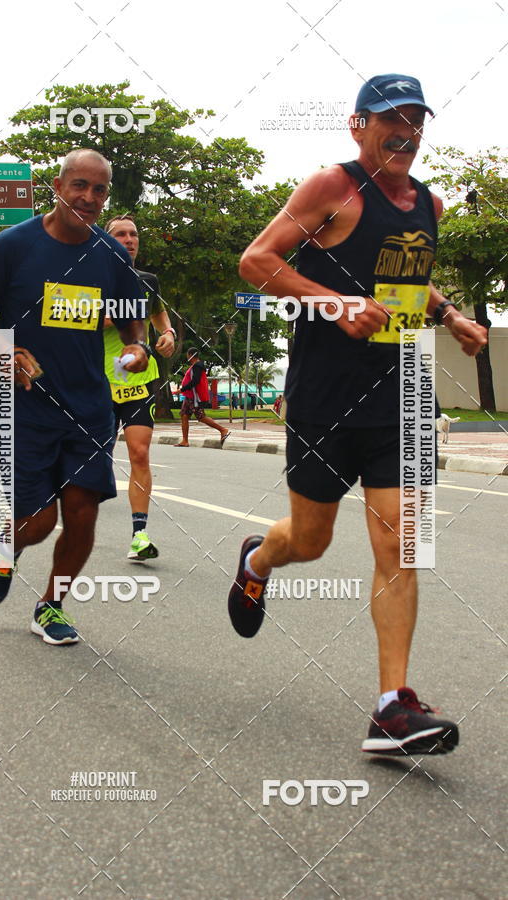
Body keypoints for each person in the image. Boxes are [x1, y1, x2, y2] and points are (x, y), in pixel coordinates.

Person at [227, 74, 488, 755]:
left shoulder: (428, 202)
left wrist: (450, 317)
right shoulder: (331, 187)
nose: (405, 132)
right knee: (309, 541)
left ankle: (391, 708)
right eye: (389, 119)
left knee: (402, 542)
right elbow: (256, 260)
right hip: (326, 394)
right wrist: (334, 302)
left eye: (415, 121)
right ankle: (257, 560)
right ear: (358, 125)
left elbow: (409, 281)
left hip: (402, 390)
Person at [0, 149, 148, 645]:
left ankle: (51, 606)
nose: (88, 197)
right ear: (59, 187)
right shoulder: (13, 244)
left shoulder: (110, 255)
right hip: (26, 407)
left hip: (89, 407)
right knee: (40, 521)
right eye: (79, 185)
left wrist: (138, 346)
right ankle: (6, 547)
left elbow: (133, 318)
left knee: (83, 513)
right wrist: (3, 348)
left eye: (99, 189)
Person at [104, 214, 175, 561]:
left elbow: (159, 314)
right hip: (98, 380)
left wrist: (168, 333)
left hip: (137, 380)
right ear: (106, 241)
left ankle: (139, 535)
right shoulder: (90, 279)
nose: (129, 239)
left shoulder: (147, 281)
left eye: (133, 234)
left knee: (140, 453)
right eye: (120, 234)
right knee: (93, 459)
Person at [176, 348, 230, 447]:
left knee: (201, 417)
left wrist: (182, 389)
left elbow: (195, 381)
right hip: (189, 396)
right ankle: (185, 441)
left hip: (194, 397)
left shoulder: (197, 366)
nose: (187, 357)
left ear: (191, 355)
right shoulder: (195, 366)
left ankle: (223, 430)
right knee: (184, 415)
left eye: (188, 355)